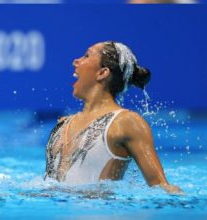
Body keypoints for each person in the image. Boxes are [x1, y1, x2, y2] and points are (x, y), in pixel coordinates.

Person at [45, 41, 181, 194]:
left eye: (86, 55)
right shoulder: (63, 124)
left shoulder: (126, 123)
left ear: (102, 72)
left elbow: (162, 188)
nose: (75, 61)